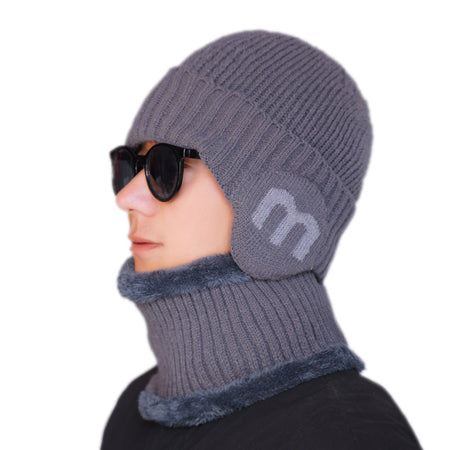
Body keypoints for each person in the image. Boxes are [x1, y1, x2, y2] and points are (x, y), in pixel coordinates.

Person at [100, 30, 423, 449]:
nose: (127, 197)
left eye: (164, 167)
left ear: (282, 206)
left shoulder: (347, 435)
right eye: (129, 165)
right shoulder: (137, 412)